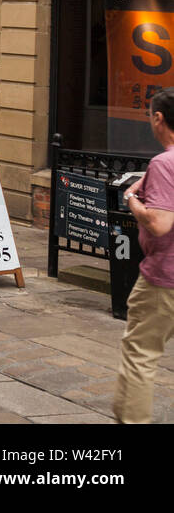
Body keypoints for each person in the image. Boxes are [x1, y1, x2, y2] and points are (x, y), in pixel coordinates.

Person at [114, 87, 174, 424]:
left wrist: (133, 202)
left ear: (159, 118)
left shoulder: (165, 162)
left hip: (165, 278)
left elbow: (160, 222)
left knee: (140, 355)